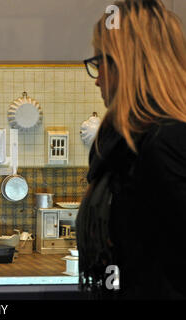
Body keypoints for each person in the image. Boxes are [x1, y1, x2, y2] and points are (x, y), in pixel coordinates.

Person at [76, 0, 186, 299]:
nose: (97, 79)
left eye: (100, 62)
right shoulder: (123, 145)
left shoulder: (166, 143)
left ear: (125, 65)